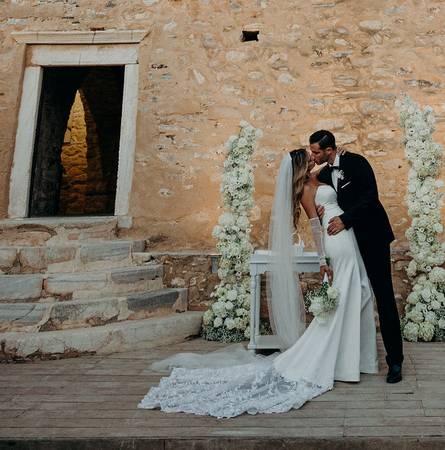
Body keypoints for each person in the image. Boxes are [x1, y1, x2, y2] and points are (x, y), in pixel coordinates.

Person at [139, 149, 378, 419]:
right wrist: (323, 261)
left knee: (360, 292)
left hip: (347, 233)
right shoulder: (304, 190)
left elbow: (343, 193)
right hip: (336, 240)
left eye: (314, 155)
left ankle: (354, 360)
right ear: (302, 164)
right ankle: (340, 363)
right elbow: (314, 224)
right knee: (347, 295)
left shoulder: (322, 176)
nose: (314, 158)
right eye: (309, 157)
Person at [309, 129, 404, 384]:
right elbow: (315, 191)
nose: (313, 155)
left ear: (329, 150)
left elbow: (370, 198)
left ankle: (395, 361)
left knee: (383, 295)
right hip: (347, 244)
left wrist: (344, 219)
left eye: (316, 151)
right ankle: (352, 357)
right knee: (353, 294)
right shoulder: (325, 173)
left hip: (372, 237)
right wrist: (321, 210)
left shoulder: (357, 163)